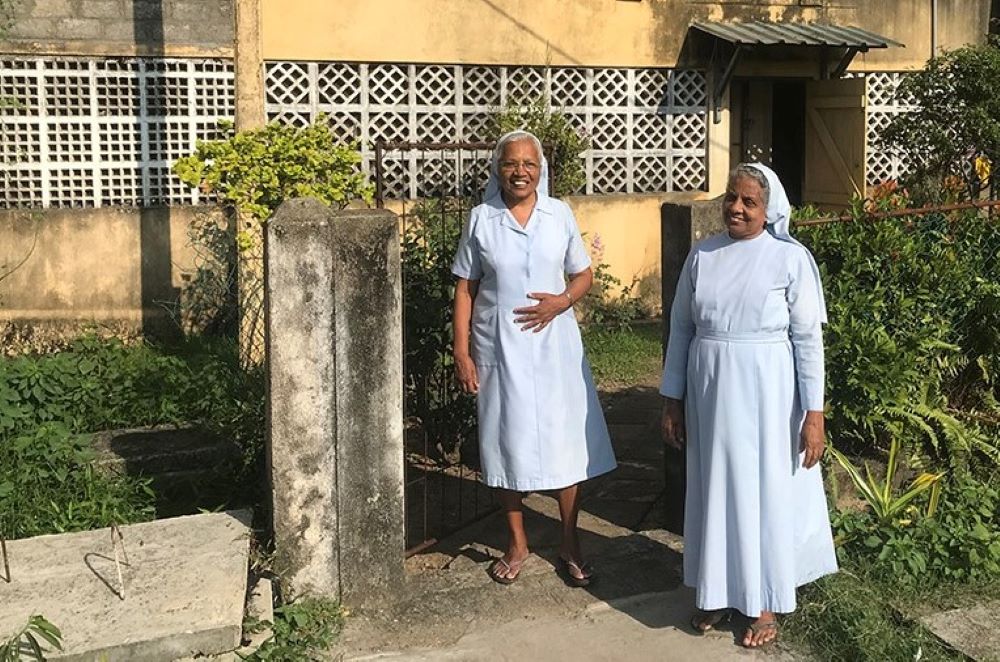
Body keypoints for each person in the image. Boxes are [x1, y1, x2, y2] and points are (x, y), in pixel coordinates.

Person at [660, 163, 838, 647]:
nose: (736, 209)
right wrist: (672, 399)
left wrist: (814, 413)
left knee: (760, 492)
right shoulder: (703, 255)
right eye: (731, 199)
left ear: (767, 209)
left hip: (769, 395)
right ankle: (716, 590)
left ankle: (761, 603)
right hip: (710, 393)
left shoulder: (790, 259)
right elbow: (681, 330)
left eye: (749, 202)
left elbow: (807, 340)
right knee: (714, 486)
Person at [451, 130, 617, 586]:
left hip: (554, 347)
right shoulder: (481, 219)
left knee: (564, 439)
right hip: (498, 348)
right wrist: (461, 350)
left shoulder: (558, 213)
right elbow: (466, 287)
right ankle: (517, 541)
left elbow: (583, 274)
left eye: (529, 164)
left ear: (540, 169)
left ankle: (569, 540)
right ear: (497, 169)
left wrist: (561, 302)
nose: (520, 172)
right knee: (507, 439)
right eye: (511, 164)